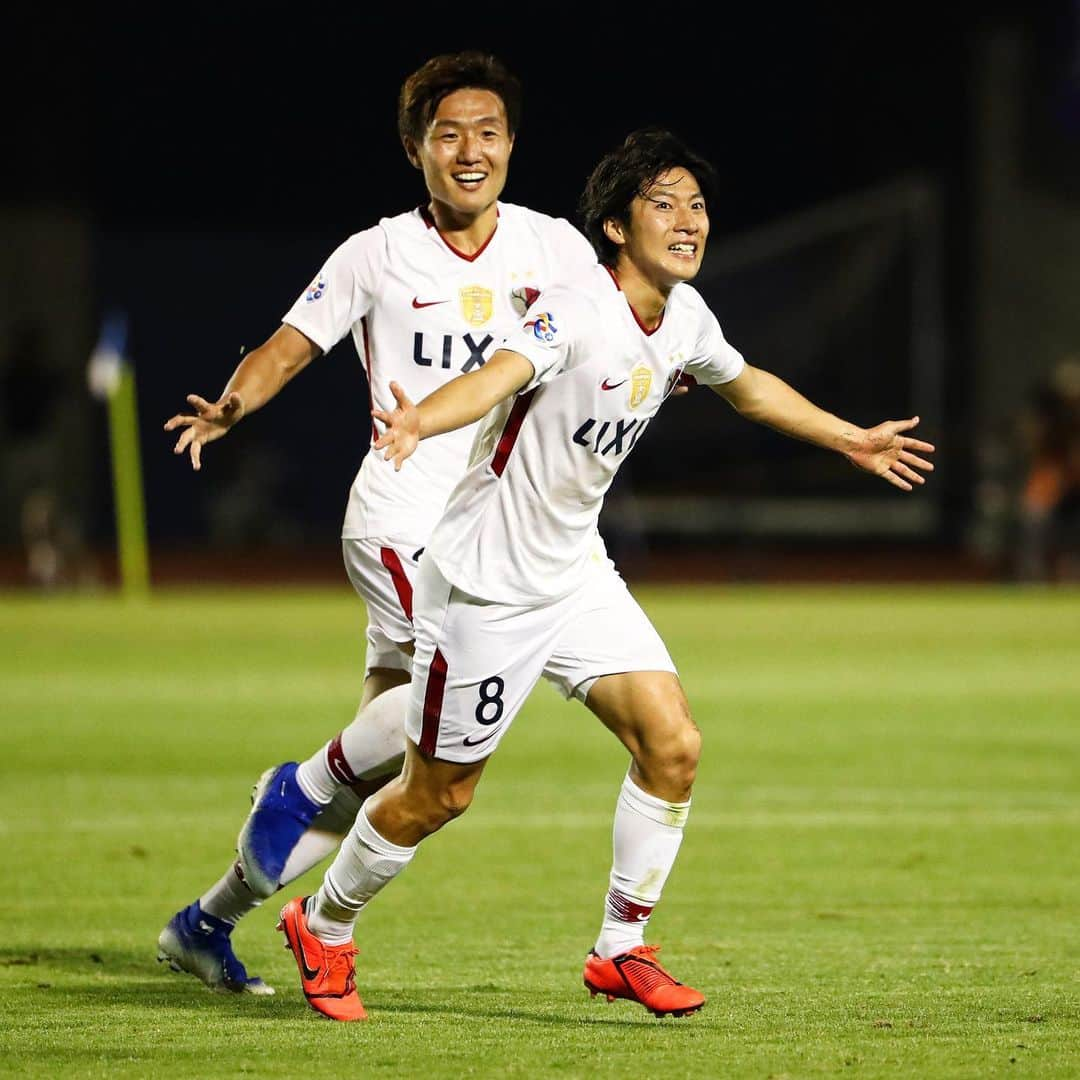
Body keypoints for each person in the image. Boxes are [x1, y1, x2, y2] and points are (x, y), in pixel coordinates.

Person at [275, 128, 936, 1021]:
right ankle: (325, 922)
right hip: (488, 586)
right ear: (618, 227)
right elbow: (500, 370)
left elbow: (749, 387)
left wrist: (851, 438)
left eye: (697, 203)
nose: (688, 220)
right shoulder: (575, 305)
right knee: (439, 795)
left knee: (673, 745)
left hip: (576, 571)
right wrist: (419, 421)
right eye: (663, 203)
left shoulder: (687, 318)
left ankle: (620, 950)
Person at [157, 51, 599, 995]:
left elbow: (608, 328)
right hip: (404, 518)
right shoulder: (378, 252)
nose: (469, 150)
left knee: (390, 764)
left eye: (487, 132)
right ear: (415, 149)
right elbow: (288, 345)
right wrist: (230, 408)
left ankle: (206, 921)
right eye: (448, 134)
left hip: (494, 527)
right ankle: (298, 785)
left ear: (512, 144)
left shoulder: (554, 245)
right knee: (441, 721)